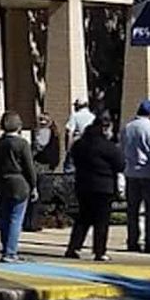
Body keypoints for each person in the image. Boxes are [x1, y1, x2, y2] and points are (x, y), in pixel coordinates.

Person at [65, 110, 124, 262]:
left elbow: (74, 158)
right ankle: (99, 251)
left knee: (83, 218)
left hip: (83, 185)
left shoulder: (80, 145)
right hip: (104, 187)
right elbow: (120, 165)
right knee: (101, 221)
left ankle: (73, 247)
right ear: (105, 129)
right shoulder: (108, 146)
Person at [0, 111, 37, 262]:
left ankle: (6, 248)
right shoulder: (22, 144)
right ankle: (11, 252)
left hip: (2, 182)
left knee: (4, 217)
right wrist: (34, 186)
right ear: (19, 126)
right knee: (16, 218)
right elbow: (29, 167)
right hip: (19, 182)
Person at [121, 99, 150, 253]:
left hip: (131, 173)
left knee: (132, 210)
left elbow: (122, 149)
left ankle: (132, 241)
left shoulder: (127, 128)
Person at [64, 97, 95, 166]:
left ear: (78, 106)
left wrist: (69, 149)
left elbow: (70, 133)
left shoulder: (75, 116)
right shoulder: (93, 117)